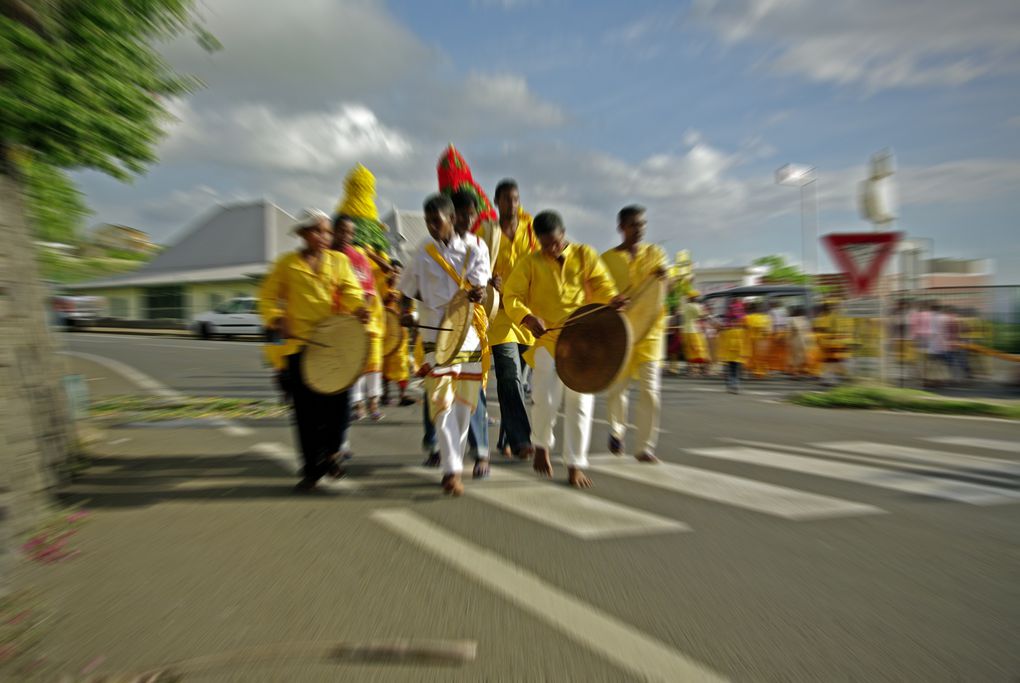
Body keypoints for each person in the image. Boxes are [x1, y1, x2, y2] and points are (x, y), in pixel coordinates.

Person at [503, 210, 625, 488]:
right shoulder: (529, 263)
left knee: (580, 405)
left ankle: (575, 465)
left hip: (583, 343)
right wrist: (526, 317)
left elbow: (603, 286)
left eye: (556, 242)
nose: (552, 248)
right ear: (538, 242)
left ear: (564, 233)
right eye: (546, 245)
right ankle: (542, 445)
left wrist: (612, 299)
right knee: (544, 401)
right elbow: (511, 296)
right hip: (547, 342)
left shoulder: (585, 255)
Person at [259, 209, 368, 492]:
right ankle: (312, 469)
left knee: (340, 406)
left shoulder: (339, 261)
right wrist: (275, 317)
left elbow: (351, 291)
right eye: (318, 231)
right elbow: (267, 297)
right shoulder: (286, 265)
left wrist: (358, 308)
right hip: (299, 347)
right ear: (303, 234)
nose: (324, 236)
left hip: (333, 345)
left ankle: (332, 452)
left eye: (327, 231)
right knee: (306, 413)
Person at [401, 194, 490, 496]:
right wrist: (404, 312)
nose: (430, 226)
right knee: (441, 403)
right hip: (432, 339)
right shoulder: (422, 252)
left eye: (435, 221)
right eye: (427, 221)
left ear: (452, 219)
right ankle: (451, 469)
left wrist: (478, 294)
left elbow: (482, 288)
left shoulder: (477, 248)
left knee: (464, 407)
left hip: (466, 335)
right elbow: (405, 288)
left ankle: (454, 463)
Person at [601, 205, 667, 463]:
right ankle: (617, 432)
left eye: (642, 224)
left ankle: (645, 447)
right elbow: (597, 290)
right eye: (633, 225)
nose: (639, 229)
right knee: (618, 388)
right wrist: (610, 301)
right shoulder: (606, 259)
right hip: (619, 333)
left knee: (651, 390)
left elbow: (663, 289)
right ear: (621, 228)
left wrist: (664, 278)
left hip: (651, 332)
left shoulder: (656, 254)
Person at [486, 179, 538, 460]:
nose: (512, 204)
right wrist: (487, 279)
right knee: (509, 372)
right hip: (500, 315)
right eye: (506, 199)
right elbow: (475, 265)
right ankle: (520, 440)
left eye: (516, 199)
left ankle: (507, 437)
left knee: (516, 381)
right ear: (496, 202)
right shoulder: (487, 232)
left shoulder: (531, 231)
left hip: (527, 316)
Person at [451, 190, 493, 478]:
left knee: (472, 387)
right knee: (441, 391)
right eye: (461, 213)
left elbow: (482, 282)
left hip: (469, 325)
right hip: (439, 326)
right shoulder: (431, 246)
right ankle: (438, 446)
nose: (467, 219)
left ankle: (481, 453)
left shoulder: (479, 245)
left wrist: (480, 289)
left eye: (471, 214)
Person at [331, 214, 384, 423]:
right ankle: (357, 403)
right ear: (333, 231)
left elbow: (369, 290)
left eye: (351, 233)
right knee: (351, 366)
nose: (346, 236)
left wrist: (363, 313)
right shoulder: (325, 256)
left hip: (362, 321)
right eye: (342, 231)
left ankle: (373, 402)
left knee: (371, 363)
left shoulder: (359, 257)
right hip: (335, 324)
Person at [380, 260, 415, 407]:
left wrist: (408, 316)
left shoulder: (405, 292)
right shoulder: (381, 287)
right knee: (384, 364)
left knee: (401, 364)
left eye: (398, 272)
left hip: (400, 335)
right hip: (384, 334)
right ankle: (384, 394)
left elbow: (410, 312)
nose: (395, 274)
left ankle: (402, 395)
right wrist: (386, 299)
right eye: (393, 271)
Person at [716, 298, 749, 393]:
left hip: (730, 350)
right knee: (735, 367)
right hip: (737, 351)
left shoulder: (727, 328)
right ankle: (734, 385)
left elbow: (720, 334)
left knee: (731, 367)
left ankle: (731, 384)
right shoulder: (741, 328)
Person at [681, 292, 709, 376]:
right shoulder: (695, 306)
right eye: (696, 297)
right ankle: (697, 370)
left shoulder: (685, 306)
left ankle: (691, 369)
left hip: (685, 330)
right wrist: (706, 313)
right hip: (694, 330)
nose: (697, 298)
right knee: (698, 350)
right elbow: (702, 316)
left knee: (688, 350)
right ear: (693, 298)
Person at [744, 300, 773, 379]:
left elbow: (744, 328)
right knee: (761, 357)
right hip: (762, 340)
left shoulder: (747, 317)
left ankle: (752, 371)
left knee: (751, 356)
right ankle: (760, 372)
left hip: (751, 340)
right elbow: (768, 330)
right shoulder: (766, 318)